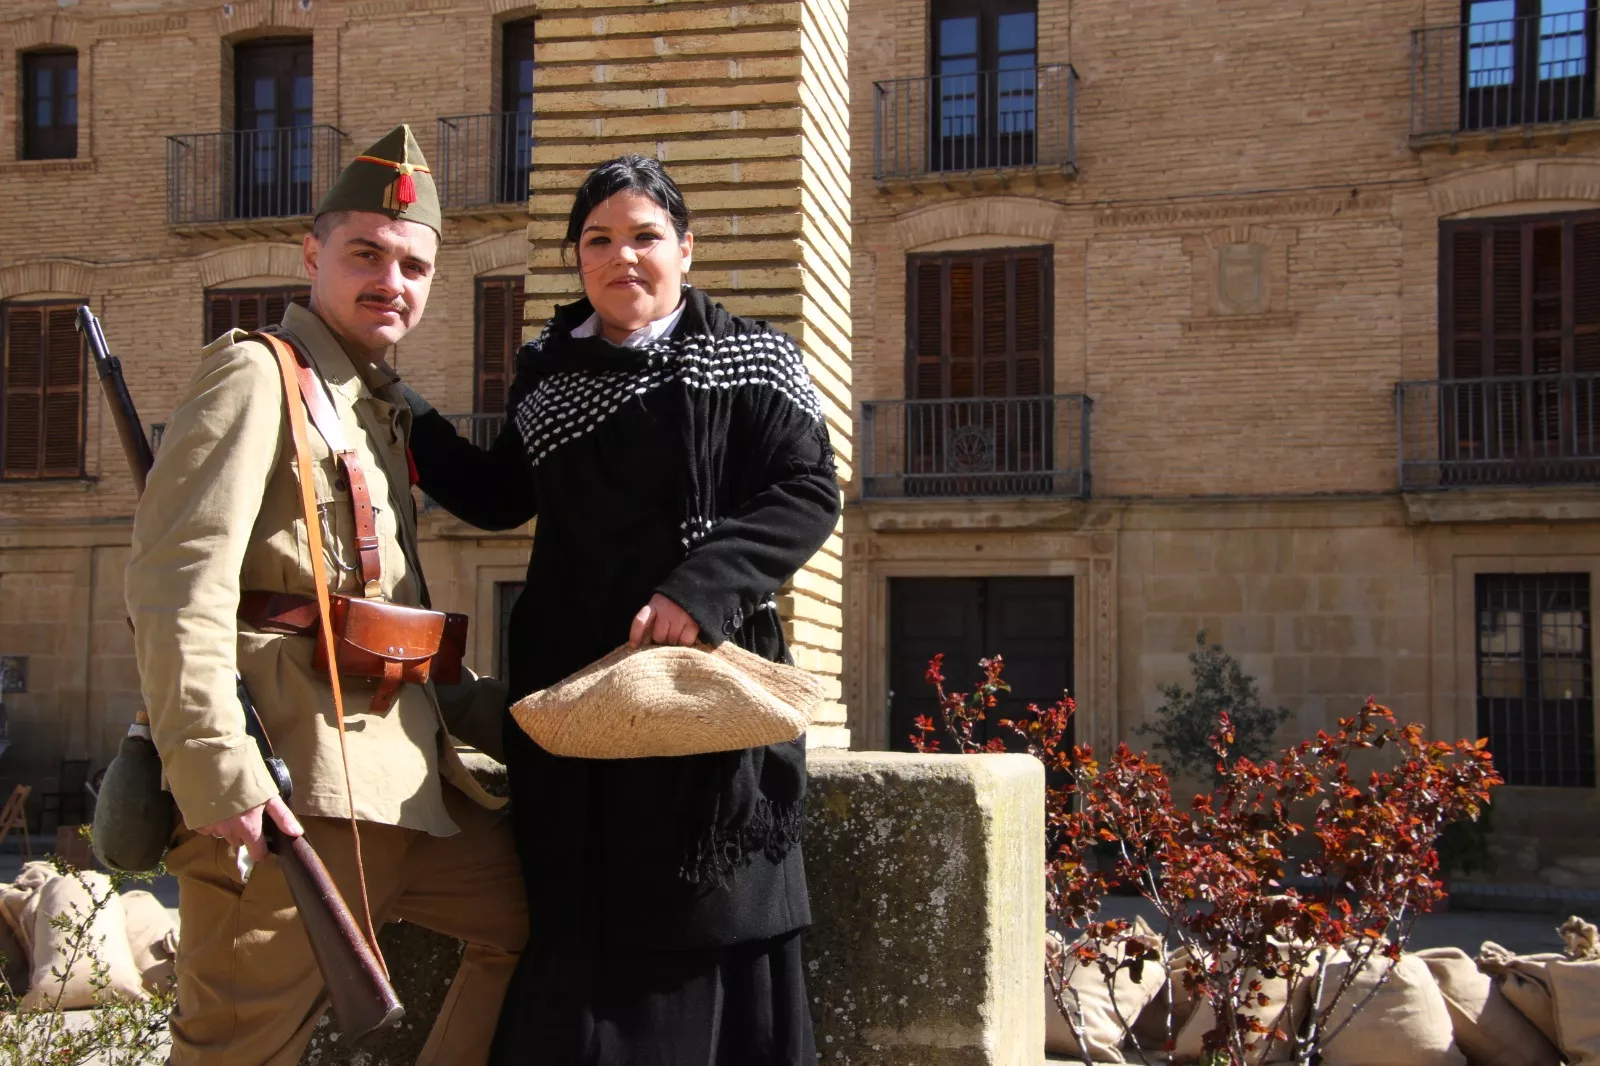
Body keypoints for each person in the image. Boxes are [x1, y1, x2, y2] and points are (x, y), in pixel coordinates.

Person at [402, 154, 841, 1064]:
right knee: (578, 919)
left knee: (708, 913)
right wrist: (400, 414)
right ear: (577, 259)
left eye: (644, 236)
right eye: (598, 240)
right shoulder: (546, 373)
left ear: (685, 248)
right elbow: (499, 496)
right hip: (575, 698)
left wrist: (699, 591)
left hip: (703, 694)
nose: (623, 256)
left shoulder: (756, 357)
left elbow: (807, 491)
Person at [124, 125, 527, 1066]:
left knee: (543, 914)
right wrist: (219, 772)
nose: (393, 279)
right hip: (291, 796)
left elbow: (386, 626)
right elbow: (175, 586)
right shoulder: (256, 374)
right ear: (313, 257)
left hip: (408, 796)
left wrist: (536, 724)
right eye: (366, 254)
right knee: (236, 1050)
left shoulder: (371, 409)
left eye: (415, 265)